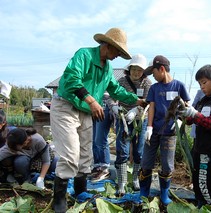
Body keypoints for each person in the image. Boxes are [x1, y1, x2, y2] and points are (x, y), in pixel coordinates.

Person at [50, 27, 147, 212]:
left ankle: (80, 192)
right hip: (66, 106)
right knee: (71, 154)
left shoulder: (108, 68)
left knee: (86, 154)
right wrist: (92, 100)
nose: (118, 55)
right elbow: (71, 80)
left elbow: (116, 90)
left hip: (85, 111)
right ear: (108, 45)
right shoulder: (84, 55)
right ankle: (59, 199)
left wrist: (137, 100)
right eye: (118, 50)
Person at [139, 55, 190, 206]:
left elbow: (185, 104)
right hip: (154, 131)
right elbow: (152, 108)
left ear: (161, 69)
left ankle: (164, 194)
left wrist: (180, 120)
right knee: (146, 162)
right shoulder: (155, 88)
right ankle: (143, 193)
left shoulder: (178, 86)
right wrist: (149, 127)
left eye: (153, 72)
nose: (153, 76)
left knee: (167, 165)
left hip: (170, 132)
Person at [179, 65, 211, 212]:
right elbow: (190, 121)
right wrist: (186, 114)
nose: (202, 86)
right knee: (197, 179)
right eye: (200, 83)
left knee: (206, 181)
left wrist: (195, 115)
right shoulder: (202, 100)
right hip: (198, 147)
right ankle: (201, 205)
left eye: (204, 82)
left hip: (209, 149)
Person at [109, 54, 152, 195]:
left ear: (143, 71)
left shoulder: (147, 83)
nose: (136, 73)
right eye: (134, 69)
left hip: (140, 120)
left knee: (139, 152)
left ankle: (135, 180)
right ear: (129, 68)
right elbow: (111, 97)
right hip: (123, 120)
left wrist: (136, 110)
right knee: (123, 151)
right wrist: (114, 107)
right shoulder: (121, 81)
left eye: (139, 70)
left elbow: (147, 102)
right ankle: (121, 183)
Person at [90, 92, 114, 182]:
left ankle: (104, 168)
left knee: (100, 139)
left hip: (104, 103)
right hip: (93, 103)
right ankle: (97, 166)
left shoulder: (106, 78)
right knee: (93, 139)